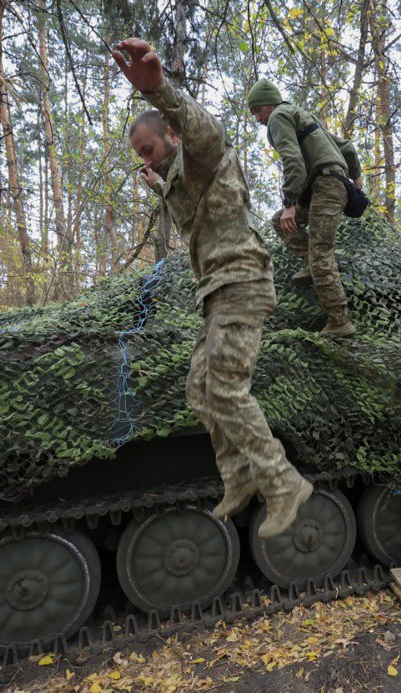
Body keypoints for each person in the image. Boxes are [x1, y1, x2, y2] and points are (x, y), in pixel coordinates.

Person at [111, 38, 313, 538]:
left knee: (225, 387)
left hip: (242, 279)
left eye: (150, 149)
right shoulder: (180, 177)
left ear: (173, 137)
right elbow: (191, 209)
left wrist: (158, 90)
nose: (147, 159)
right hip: (219, 290)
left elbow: (208, 133)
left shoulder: (199, 152)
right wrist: (157, 183)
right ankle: (239, 474)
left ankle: (283, 481)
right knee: (199, 388)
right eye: (140, 155)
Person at [247, 79, 361, 337]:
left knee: (321, 251)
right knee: (281, 222)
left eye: (257, 110)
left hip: (326, 185)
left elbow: (292, 159)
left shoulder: (278, 116)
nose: (257, 118)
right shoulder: (304, 116)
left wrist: (289, 202)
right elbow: (347, 148)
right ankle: (313, 264)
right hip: (330, 185)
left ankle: (339, 320)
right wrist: (356, 178)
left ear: (269, 103)